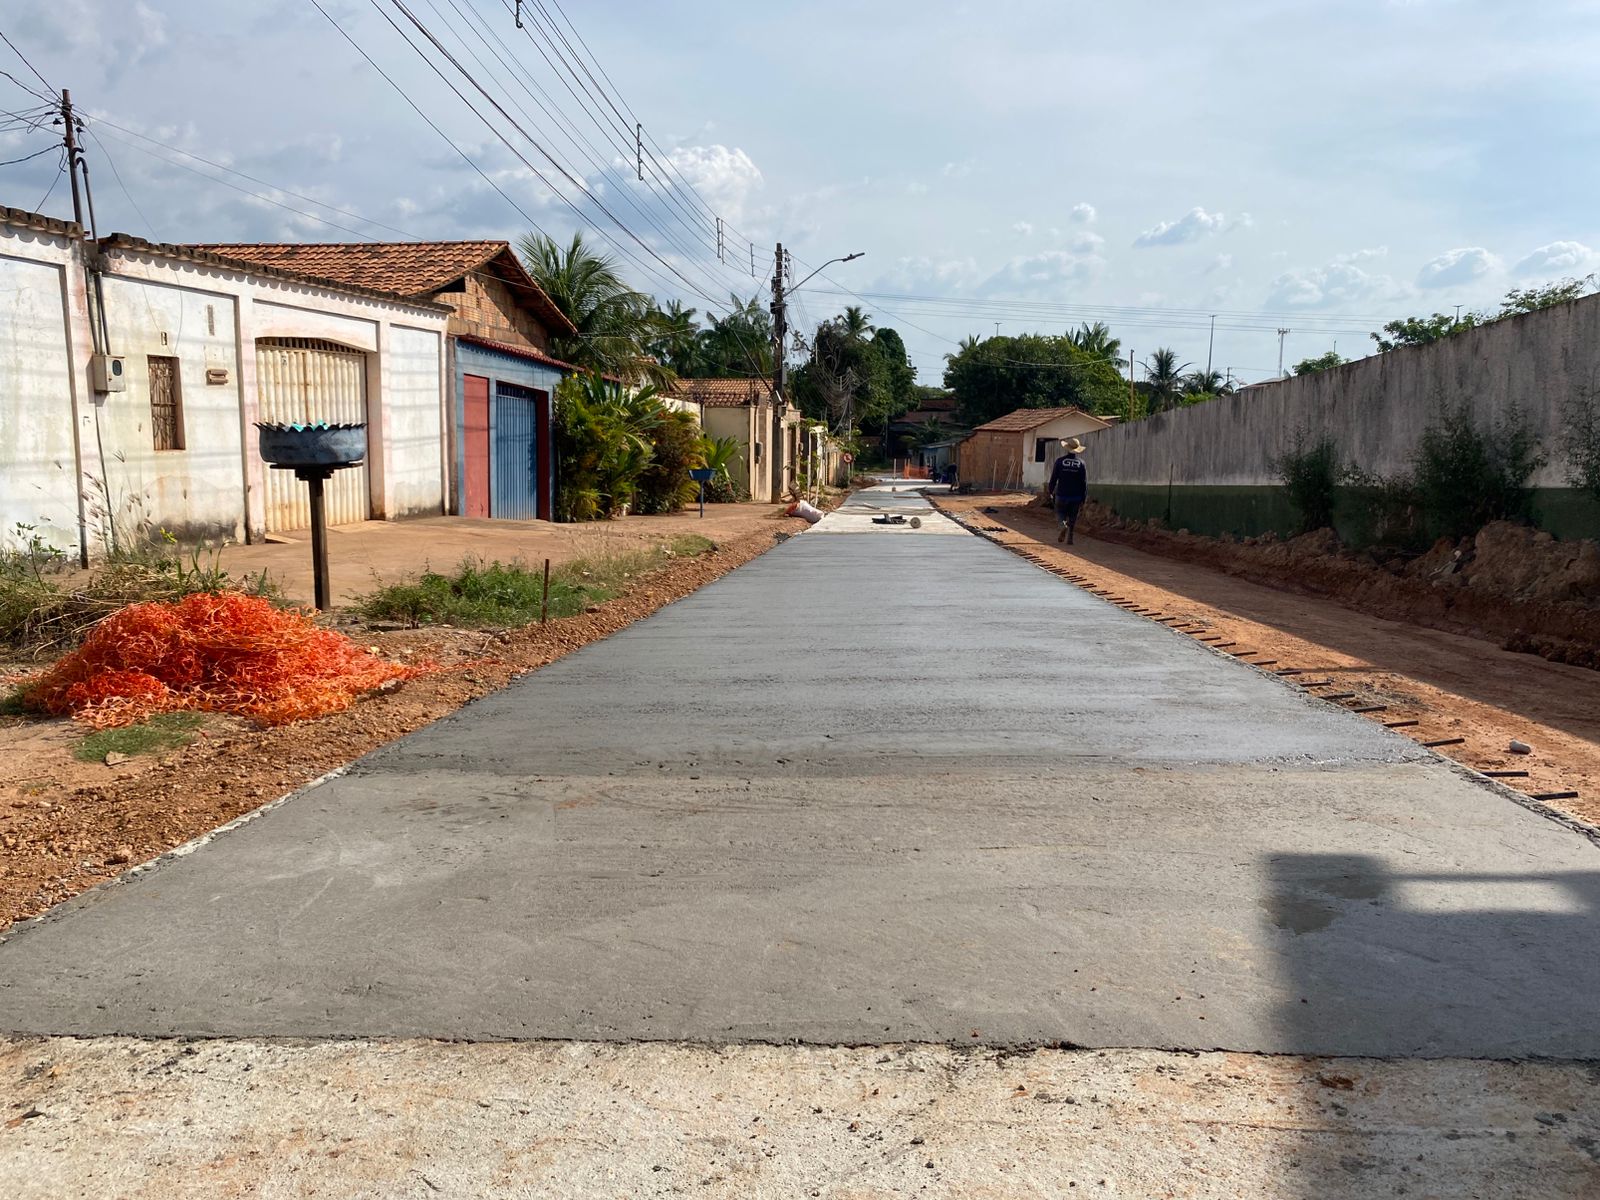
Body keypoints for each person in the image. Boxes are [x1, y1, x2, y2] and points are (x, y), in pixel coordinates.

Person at [1046, 437, 1088, 544]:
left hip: (1061, 494)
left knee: (1060, 513)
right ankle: (1070, 538)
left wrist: (1050, 491)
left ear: (1066, 448)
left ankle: (1062, 525)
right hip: (1076, 496)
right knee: (1073, 517)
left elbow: (1054, 478)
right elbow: (1084, 482)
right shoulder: (1081, 463)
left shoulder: (1060, 462)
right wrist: (1084, 497)